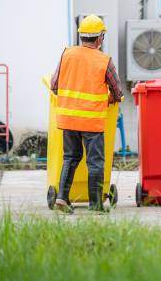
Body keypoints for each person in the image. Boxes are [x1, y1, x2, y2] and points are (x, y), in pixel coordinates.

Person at [50, 15, 123, 213]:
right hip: (92, 121)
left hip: (68, 118)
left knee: (70, 158)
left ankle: (62, 198)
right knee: (96, 162)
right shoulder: (104, 61)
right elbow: (117, 92)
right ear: (100, 38)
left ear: (81, 36)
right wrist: (110, 99)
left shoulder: (67, 54)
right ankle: (96, 205)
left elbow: (54, 85)